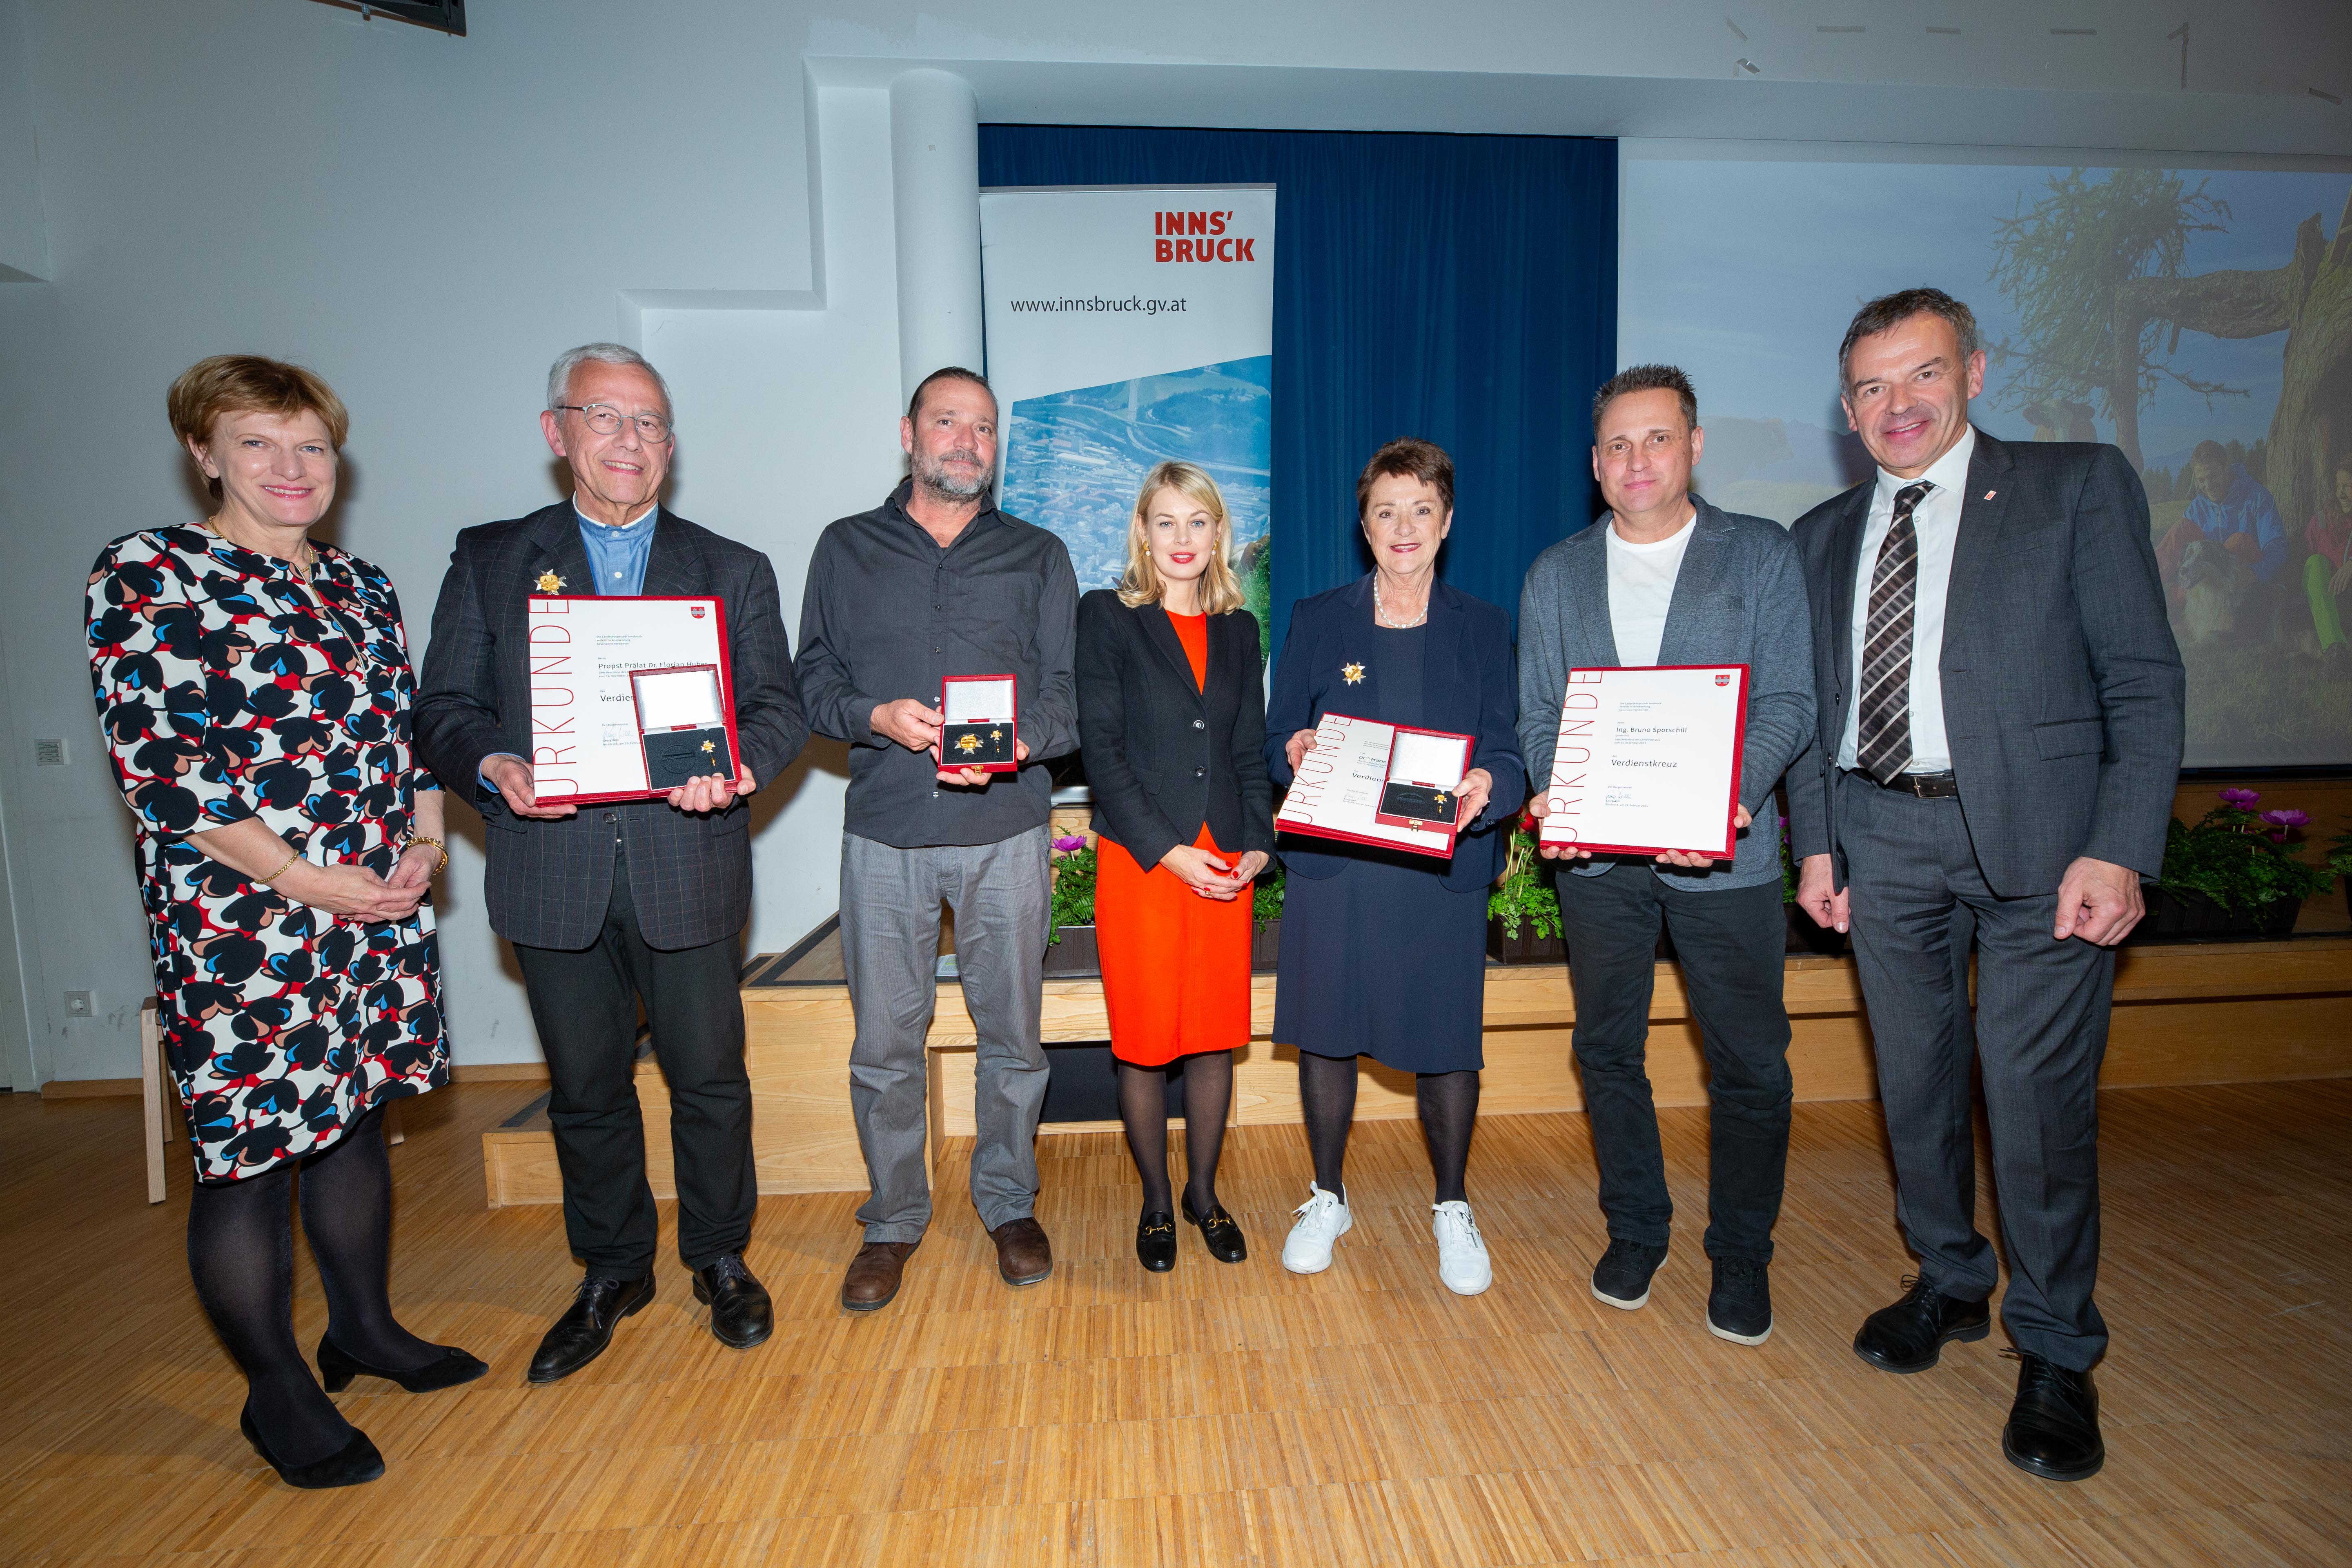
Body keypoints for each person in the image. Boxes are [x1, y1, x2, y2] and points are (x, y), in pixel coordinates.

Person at [1785, 288, 2184, 1483]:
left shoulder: (2075, 486)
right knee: (1914, 1082)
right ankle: (1950, 1280)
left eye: (1920, 375)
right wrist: (1818, 842)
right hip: (1878, 833)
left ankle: (2058, 1348)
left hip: (2046, 847)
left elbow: (2145, 680)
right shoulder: (1820, 535)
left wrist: (2122, 844)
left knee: (2033, 1098)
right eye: (1870, 386)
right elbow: (1812, 715)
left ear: (1973, 370)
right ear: (1847, 407)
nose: (1896, 405)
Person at [88, 356, 483, 1490]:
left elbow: (406, 746)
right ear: (204, 453)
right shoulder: (151, 572)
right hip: (243, 921)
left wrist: (421, 846)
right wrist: (314, 882)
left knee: (354, 1119)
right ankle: (275, 1389)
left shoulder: (360, 585)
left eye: (311, 445)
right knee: (252, 1157)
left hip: (371, 906)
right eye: (258, 444)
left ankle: (364, 1327)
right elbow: (167, 772)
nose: (292, 467)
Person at [415, 343, 808, 1382]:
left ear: (671, 448)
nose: (629, 440)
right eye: (606, 417)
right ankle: (611, 1267)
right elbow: (441, 710)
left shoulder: (730, 569)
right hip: (552, 865)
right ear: (557, 432)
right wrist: (493, 762)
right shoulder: (492, 559)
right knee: (585, 1087)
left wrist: (736, 766)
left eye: (650, 425)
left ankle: (720, 1256)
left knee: (710, 1079)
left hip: (690, 862)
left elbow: (776, 707)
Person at [1515, 365, 1815, 1345]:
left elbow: (1786, 703)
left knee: (1748, 1061)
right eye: (1614, 444)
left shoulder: (1759, 555)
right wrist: (1549, 787)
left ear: (1692, 446)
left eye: (1654, 439)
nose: (1634, 459)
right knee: (1607, 1049)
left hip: (1721, 856)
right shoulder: (1555, 573)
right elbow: (1539, 716)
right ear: (1592, 464)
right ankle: (1636, 1227)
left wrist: (1732, 794)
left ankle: (1741, 1253)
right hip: (1599, 864)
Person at [797, 366, 1080, 1312]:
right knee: (885, 1039)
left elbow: (1066, 696)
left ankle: (1006, 1202)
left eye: (984, 428)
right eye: (948, 422)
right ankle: (891, 1219)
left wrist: (1016, 743)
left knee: (1011, 1033)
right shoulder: (844, 548)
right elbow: (810, 681)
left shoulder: (1037, 555)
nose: (966, 440)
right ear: (909, 433)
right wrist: (874, 713)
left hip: (1002, 825)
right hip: (887, 826)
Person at [1265, 438, 1527, 1296]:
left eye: (1421, 510)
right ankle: (1327, 1194)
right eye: (1386, 510)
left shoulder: (1486, 626)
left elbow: (1509, 747)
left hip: (1438, 871)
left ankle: (1452, 1205)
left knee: (1447, 1042)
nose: (1403, 527)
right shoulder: (1317, 616)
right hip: (1339, 871)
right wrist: (1297, 746)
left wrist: (1489, 780)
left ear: (1446, 523)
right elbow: (1277, 740)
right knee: (1328, 1032)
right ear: (1364, 524)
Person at [1076, 461, 1274, 1271]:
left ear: (1219, 533)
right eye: (1167, 522)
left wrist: (1259, 846)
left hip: (1224, 860)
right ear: (1143, 532)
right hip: (1146, 865)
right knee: (1146, 1042)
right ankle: (1157, 1204)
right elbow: (1103, 751)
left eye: (1199, 522)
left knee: (1212, 1042)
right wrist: (1168, 851)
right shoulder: (1106, 618)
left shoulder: (1239, 631)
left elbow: (1247, 754)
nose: (1183, 539)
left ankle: (1204, 1195)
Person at [2156, 439, 2287, 615]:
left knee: (2238, 541)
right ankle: (2148, 585)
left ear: (2227, 469)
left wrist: (2255, 573)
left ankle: (2178, 600)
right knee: (2182, 527)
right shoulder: (2196, 508)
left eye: (2213, 476)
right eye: (2201, 480)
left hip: (2244, 573)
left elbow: (2277, 548)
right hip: (2210, 580)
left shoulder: (2257, 497)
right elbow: (2184, 555)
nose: (2208, 486)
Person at [2303, 456, 2352, 665]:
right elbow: (2304, 565)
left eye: (2349, 487)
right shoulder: (2321, 521)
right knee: (2315, 562)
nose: (2341, 494)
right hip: (2326, 606)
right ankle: (2336, 649)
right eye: (2338, 486)